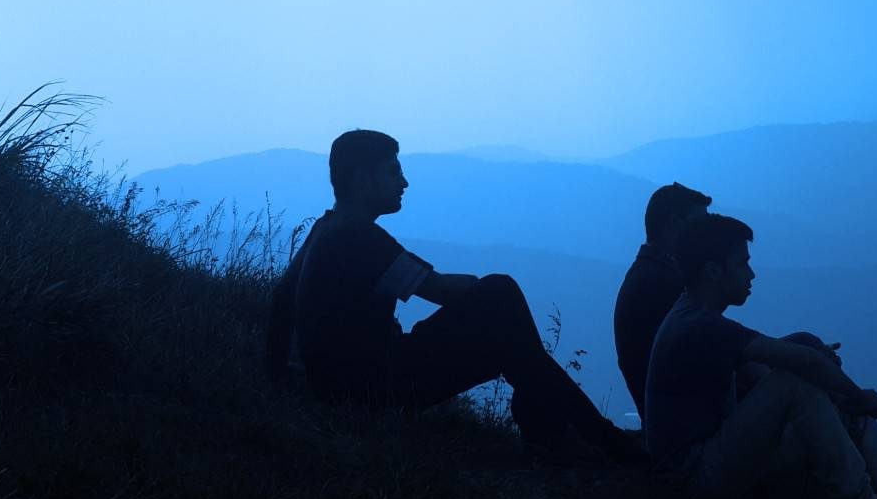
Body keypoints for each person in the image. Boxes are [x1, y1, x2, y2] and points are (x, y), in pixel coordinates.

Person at [265, 129, 646, 464]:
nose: (404, 183)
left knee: (509, 332)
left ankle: (573, 435)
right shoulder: (359, 238)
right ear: (362, 179)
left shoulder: (326, 228)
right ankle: (592, 438)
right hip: (373, 389)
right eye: (393, 172)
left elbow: (281, 300)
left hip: (342, 386)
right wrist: (486, 292)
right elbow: (439, 290)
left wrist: (280, 378)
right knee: (501, 293)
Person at [645, 213, 877, 499]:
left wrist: (830, 381)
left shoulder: (692, 317)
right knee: (797, 384)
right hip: (694, 476)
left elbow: (768, 364)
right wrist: (859, 395)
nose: (751, 274)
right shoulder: (701, 326)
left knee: (846, 412)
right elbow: (797, 365)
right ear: (712, 271)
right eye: (742, 263)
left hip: (713, 459)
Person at [613, 182, 713, 420]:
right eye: (701, 225)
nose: (708, 234)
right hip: (687, 424)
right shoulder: (661, 286)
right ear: (674, 223)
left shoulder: (650, 274)